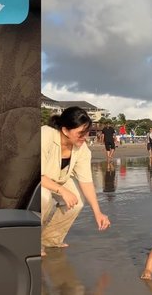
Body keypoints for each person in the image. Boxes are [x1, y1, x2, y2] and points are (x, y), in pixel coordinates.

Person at [41, 107, 110, 256]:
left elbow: (86, 182)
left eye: (86, 133)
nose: (84, 137)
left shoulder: (82, 149)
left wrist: (98, 213)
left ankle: (50, 239)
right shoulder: (45, 135)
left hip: (58, 178)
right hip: (36, 181)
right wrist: (62, 191)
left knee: (77, 200)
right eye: (80, 133)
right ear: (65, 130)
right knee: (44, 198)